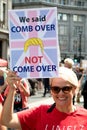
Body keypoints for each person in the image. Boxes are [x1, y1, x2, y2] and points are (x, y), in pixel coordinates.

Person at [1, 67, 87, 130]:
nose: (60, 93)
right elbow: (7, 120)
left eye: (66, 89)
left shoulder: (85, 116)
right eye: (56, 89)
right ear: (51, 91)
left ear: (74, 89)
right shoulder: (40, 112)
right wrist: (12, 89)